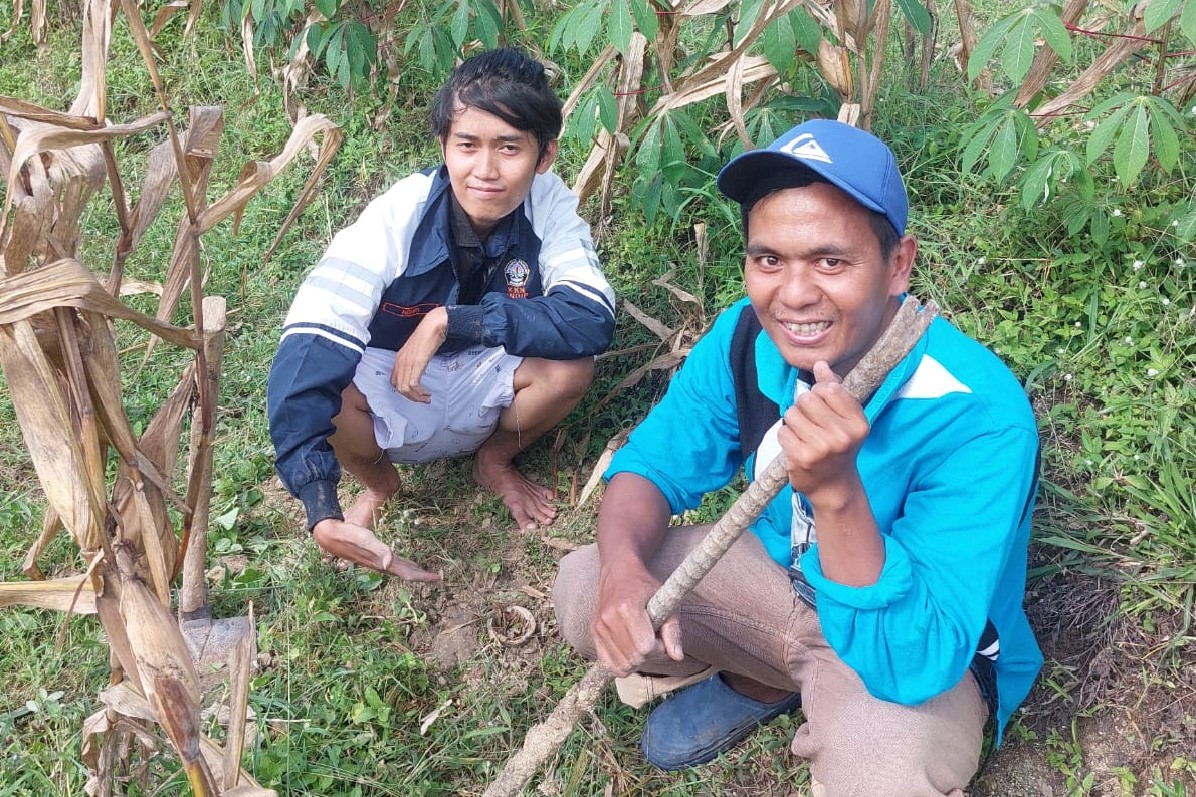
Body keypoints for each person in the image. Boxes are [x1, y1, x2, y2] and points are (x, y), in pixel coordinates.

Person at [553, 119, 1041, 795]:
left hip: (903, 643)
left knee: (887, 779)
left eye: (831, 261)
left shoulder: (977, 416)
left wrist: (837, 493)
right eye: (769, 259)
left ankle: (821, 696)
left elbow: (916, 656)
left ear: (898, 263)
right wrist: (623, 574)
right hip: (778, 581)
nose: (794, 293)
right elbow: (649, 466)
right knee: (583, 588)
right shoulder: (744, 338)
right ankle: (772, 676)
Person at [268, 47, 615, 582]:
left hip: (486, 363)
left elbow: (590, 317)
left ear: (544, 156)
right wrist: (319, 505)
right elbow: (310, 342)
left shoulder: (550, 205)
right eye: (467, 146)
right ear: (443, 146)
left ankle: (494, 459)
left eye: (509, 148)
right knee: (327, 389)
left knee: (571, 367)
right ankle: (379, 483)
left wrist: (453, 321)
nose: (485, 171)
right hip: (391, 375)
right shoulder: (397, 213)